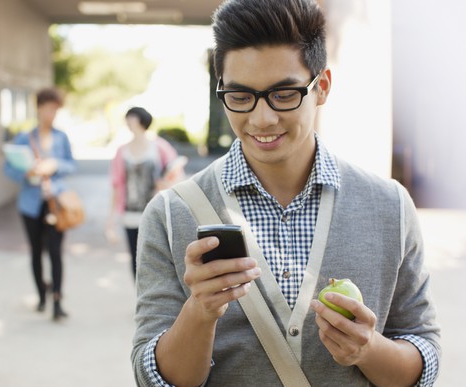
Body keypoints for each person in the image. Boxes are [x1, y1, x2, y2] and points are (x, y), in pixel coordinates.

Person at [131, 0, 441, 386]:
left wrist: (368, 350)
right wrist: (200, 310)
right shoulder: (170, 215)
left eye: (284, 94)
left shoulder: (389, 206)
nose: (262, 119)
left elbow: (421, 350)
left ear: (322, 87)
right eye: (241, 97)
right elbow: (154, 377)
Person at [4, 87, 76, 321]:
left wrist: (54, 165)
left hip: (55, 202)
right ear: (39, 108)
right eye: (48, 109)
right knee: (36, 252)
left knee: (55, 252)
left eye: (55, 110)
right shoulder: (25, 138)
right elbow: (8, 168)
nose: (52, 114)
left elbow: (71, 165)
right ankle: (41, 296)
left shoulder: (61, 137)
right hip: (30, 203)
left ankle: (57, 301)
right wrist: (25, 173)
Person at [106, 107, 186, 279]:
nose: (129, 121)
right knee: (135, 260)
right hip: (130, 213)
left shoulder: (159, 147)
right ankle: (141, 301)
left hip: (156, 211)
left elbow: (177, 172)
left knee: (158, 258)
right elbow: (117, 185)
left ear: (141, 120)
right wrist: (111, 220)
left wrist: (164, 183)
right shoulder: (122, 151)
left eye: (132, 117)